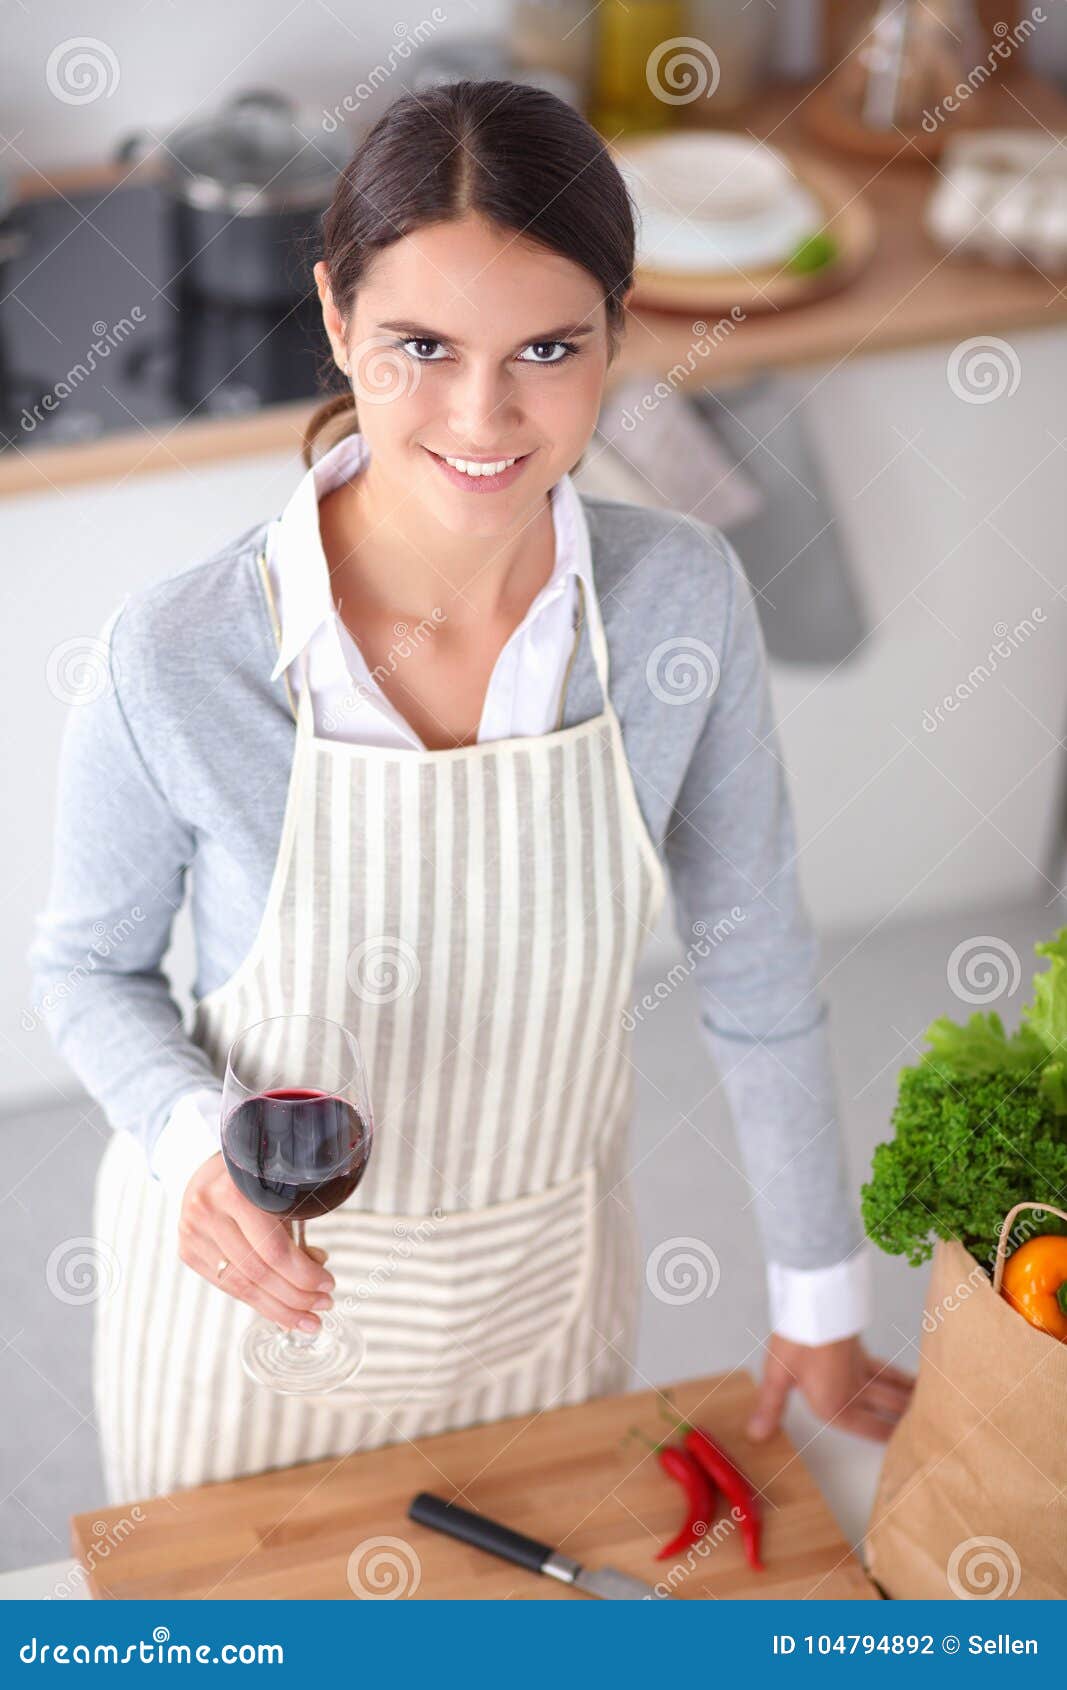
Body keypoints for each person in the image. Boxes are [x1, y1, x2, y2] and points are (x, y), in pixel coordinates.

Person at [28, 79, 913, 1504]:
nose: (483, 416)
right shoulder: (180, 655)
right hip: (242, 1321)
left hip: (535, 1311)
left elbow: (755, 962)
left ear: (620, 332)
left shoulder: (681, 606)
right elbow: (87, 967)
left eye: (549, 348)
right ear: (335, 318)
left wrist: (819, 1298)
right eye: (421, 346)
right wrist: (194, 1143)